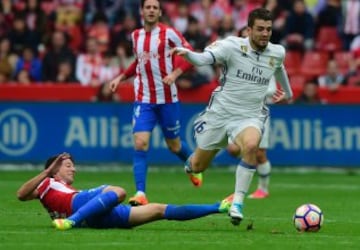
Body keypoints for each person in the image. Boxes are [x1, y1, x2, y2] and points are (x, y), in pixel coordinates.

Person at [172, 8, 293, 226]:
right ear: (248, 29)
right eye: (260, 29)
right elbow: (203, 59)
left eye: (268, 29)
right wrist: (188, 54)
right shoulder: (231, 46)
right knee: (198, 165)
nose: (265, 34)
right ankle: (190, 166)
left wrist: (288, 91)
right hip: (221, 114)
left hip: (250, 115)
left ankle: (237, 202)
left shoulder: (277, 52)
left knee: (251, 145)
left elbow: (280, 68)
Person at [109, 0, 200, 206]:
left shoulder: (169, 34)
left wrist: (175, 74)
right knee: (140, 143)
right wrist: (120, 77)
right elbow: (138, 62)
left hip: (168, 99)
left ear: (159, 12)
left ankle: (193, 165)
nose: (151, 10)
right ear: (142, 11)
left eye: (154, 8)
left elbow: (190, 54)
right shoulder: (135, 36)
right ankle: (140, 193)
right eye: (147, 7)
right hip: (144, 99)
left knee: (174, 145)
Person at [16, 153, 233, 230]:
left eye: (73, 164)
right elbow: (21, 194)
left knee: (158, 209)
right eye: (68, 165)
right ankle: (72, 222)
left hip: (93, 217)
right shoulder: (46, 184)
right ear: (54, 169)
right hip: (77, 207)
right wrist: (46, 172)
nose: (74, 168)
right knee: (118, 190)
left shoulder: (68, 188)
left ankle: (219, 207)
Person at [227, 77, 278, 199]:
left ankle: (263, 189)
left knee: (260, 154)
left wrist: (249, 91)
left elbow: (273, 90)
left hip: (259, 113)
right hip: (238, 112)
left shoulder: (266, 63)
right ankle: (248, 165)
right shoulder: (239, 61)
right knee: (233, 149)